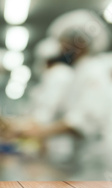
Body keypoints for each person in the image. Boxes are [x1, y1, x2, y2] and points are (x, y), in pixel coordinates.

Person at [19, 9, 112, 180]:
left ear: (80, 42)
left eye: (64, 43)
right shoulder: (80, 72)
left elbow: (83, 121)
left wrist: (40, 132)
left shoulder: (93, 71)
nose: (61, 49)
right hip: (89, 163)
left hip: (106, 167)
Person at [29, 37, 76, 170]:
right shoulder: (60, 74)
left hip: (60, 146)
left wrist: (17, 129)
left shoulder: (58, 75)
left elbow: (44, 116)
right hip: (55, 144)